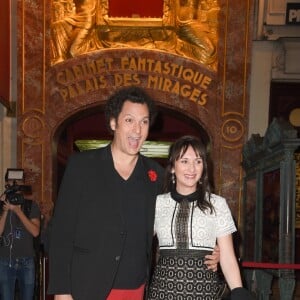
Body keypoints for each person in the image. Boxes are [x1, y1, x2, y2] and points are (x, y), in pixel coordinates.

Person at [47, 86, 220, 300]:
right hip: (86, 285)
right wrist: (62, 291)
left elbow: (177, 215)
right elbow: (61, 232)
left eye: (144, 122)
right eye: (129, 120)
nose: (137, 130)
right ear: (113, 123)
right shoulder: (82, 166)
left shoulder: (155, 175)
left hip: (134, 287)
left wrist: (210, 247)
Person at [148, 135, 253, 300]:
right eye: (184, 161)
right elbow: (139, 244)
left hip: (204, 292)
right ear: (173, 167)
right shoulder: (157, 203)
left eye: (198, 161)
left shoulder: (217, 204)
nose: (192, 168)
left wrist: (238, 291)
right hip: (161, 292)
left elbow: (227, 256)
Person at [0, 172, 41, 300]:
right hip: (5, 260)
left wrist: (18, 211)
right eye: (12, 182)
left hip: (27, 260)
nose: (15, 185)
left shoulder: (30, 205)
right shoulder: (1, 205)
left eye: (18, 182)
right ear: (7, 184)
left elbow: (35, 232)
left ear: (22, 184)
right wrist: (5, 211)